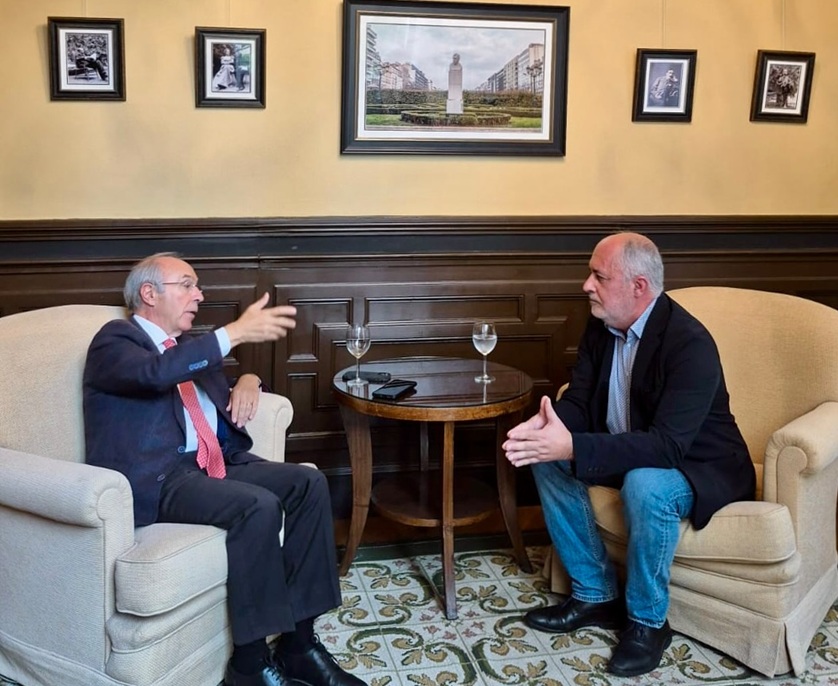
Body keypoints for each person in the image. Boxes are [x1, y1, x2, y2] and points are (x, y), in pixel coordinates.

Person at [83, 253, 366, 686]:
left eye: (198, 286)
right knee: (257, 506)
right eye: (187, 285)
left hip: (215, 461)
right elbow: (155, 375)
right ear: (149, 293)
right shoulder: (115, 341)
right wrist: (231, 334)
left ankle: (300, 646)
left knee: (308, 482)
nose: (199, 295)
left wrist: (250, 379)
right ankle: (250, 665)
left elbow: (216, 386)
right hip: (162, 478)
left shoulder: (186, 349)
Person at [502, 232, 755, 677]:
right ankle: (595, 593)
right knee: (545, 455)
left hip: (698, 465)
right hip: (632, 450)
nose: (586, 285)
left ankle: (648, 623)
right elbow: (580, 401)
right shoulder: (600, 325)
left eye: (599, 277)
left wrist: (574, 445)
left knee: (645, 484)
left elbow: (667, 445)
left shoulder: (690, 343)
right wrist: (549, 427)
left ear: (638, 286)